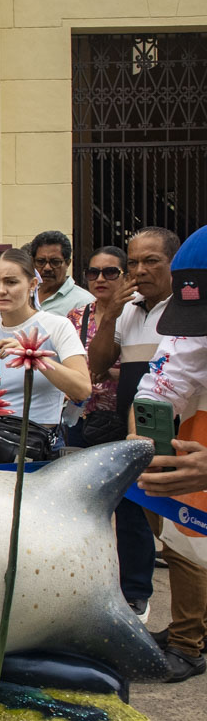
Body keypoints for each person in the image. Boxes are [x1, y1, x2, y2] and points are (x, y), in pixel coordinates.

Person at [87, 227, 180, 622]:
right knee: (132, 515)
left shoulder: (188, 309)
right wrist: (109, 315)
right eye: (134, 263)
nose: (139, 271)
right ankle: (136, 597)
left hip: (178, 434)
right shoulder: (127, 309)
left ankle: (189, 630)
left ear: (174, 263)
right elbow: (97, 365)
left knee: (181, 528)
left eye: (151, 261)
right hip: (132, 431)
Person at [130, 224, 207, 681]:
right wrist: (144, 437)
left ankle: (189, 642)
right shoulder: (188, 327)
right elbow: (165, 380)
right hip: (192, 455)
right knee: (187, 543)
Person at [0, 248, 91, 455]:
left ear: (32, 285)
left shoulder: (56, 326)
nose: (1, 290)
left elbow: (82, 389)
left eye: (11, 282)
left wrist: (35, 357)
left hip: (40, 446)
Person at [65, 246, 128, 448]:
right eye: (93, 273)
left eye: (110, 272)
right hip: (82, 417)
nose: (100, 279)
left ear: (126, 277)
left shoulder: (136, 312)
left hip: (126, 417)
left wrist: (112, 374)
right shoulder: (76, 316)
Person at [31, 230, 94, 316]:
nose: (47, 268)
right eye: (41, 261)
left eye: (55, 262)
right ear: (33, 262)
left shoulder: (83, 302)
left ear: (68, 263)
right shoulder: (26, 294)